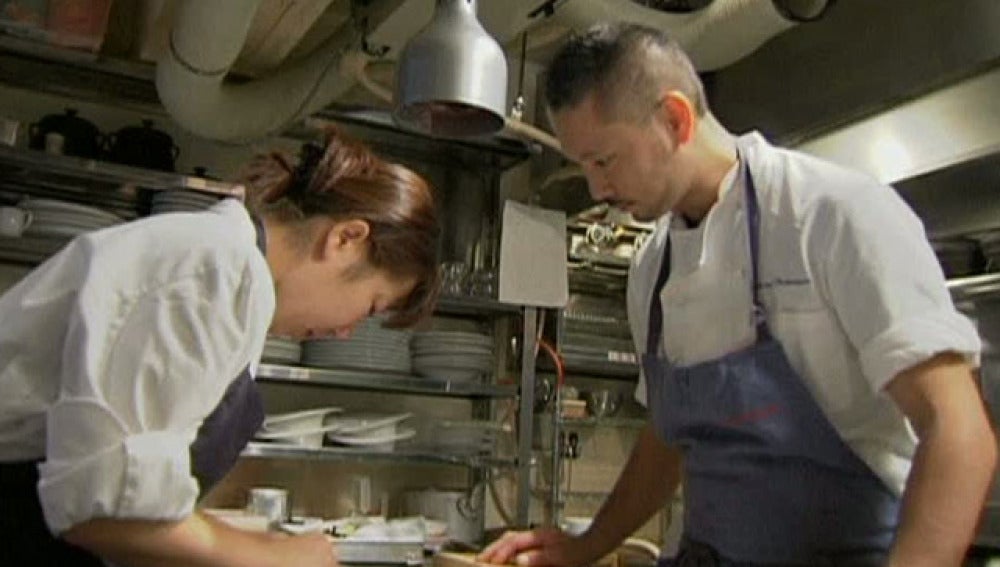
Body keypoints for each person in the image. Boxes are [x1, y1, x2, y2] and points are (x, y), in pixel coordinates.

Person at [479, 22, 997, 567]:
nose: (597, 190)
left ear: (674, 119)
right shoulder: (651, 268)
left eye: (604, 160)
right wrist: (587, 547)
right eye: (582, 166)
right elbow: (667, 438)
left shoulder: (831, 217)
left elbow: (958, 429)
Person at [0, 127, 441, 566]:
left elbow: (140, 503)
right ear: (346, 239)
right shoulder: (212, 269)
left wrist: (265, 547)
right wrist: (276, 559)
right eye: (370, 306)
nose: (346, 332)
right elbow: (105, 514)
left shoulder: (233, 277)